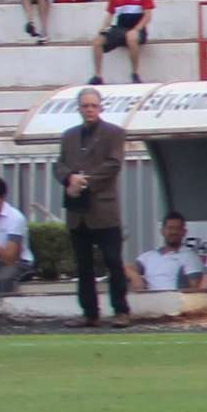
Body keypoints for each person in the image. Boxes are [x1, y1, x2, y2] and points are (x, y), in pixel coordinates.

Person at [52, 85, 132, 326]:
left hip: (104, 210)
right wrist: (69, 179)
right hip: (78, 212)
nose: (89, 110)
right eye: (85, 106)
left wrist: (83, 181)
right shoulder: (69, 136)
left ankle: (121, 310)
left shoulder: (114, 133)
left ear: (101, 107)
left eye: (93, 106)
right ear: (79, 108)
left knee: (112, 260)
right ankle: (90, 313)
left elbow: (113, 165)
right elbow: (59, 165)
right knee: (83, 265)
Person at [92, 0, 153, 82]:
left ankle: (135, 74)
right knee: (97, 41)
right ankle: (98, 76)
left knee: (131, 37)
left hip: (137, 28)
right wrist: (104, 27)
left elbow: (147, 16)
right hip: (120, 28)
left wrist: (136, 30)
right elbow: (110, 14)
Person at [130, 210, 207, 292]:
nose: (174, 232)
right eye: (170, 228)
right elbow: (127, 268)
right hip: (148, 300)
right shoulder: (149, 256)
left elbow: (196, 289)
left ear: (184, 232)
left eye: (178, 229)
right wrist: (135, 277)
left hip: (174, 301)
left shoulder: (190, 257)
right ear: (162, 231)